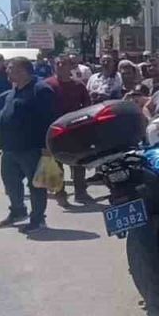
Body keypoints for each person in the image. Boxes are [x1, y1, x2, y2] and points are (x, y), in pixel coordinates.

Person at [0, 57, 58, 233]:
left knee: (36, 185)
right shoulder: (14, 90)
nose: (7, 71)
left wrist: (47, 147)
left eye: (10, 68)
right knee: (10, 181)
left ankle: (38, 219)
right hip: (10, 148)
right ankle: (17, 211)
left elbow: (49, 119)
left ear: (23, 70)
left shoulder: (41, 90)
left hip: (32, 148)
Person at [47, 56, 93, 205]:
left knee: (78, 161)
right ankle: (60, 193)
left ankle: (80, 192)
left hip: (74, 130)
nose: (60, 66)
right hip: (55, 130)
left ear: (70, 67)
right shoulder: (48, 85)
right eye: (58, 64)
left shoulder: (78, 85)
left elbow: (87, 106)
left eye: (64, 64)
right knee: (56, 163)